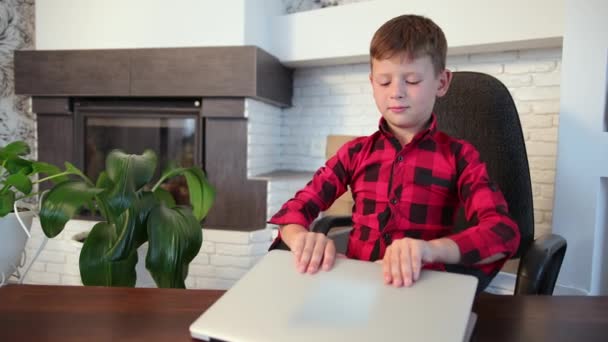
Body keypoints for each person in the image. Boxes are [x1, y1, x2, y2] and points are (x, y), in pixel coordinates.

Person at [268, 14, 520, 290]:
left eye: (411, 80)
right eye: (384, 81)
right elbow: (294, 210)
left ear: (442, 82)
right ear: (372, 82)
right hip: (356, 287)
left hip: (420, 287)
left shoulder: (460, 156)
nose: (396, 93)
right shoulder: (354, 152)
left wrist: (430, 250)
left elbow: (502, 233)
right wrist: (302, 238)